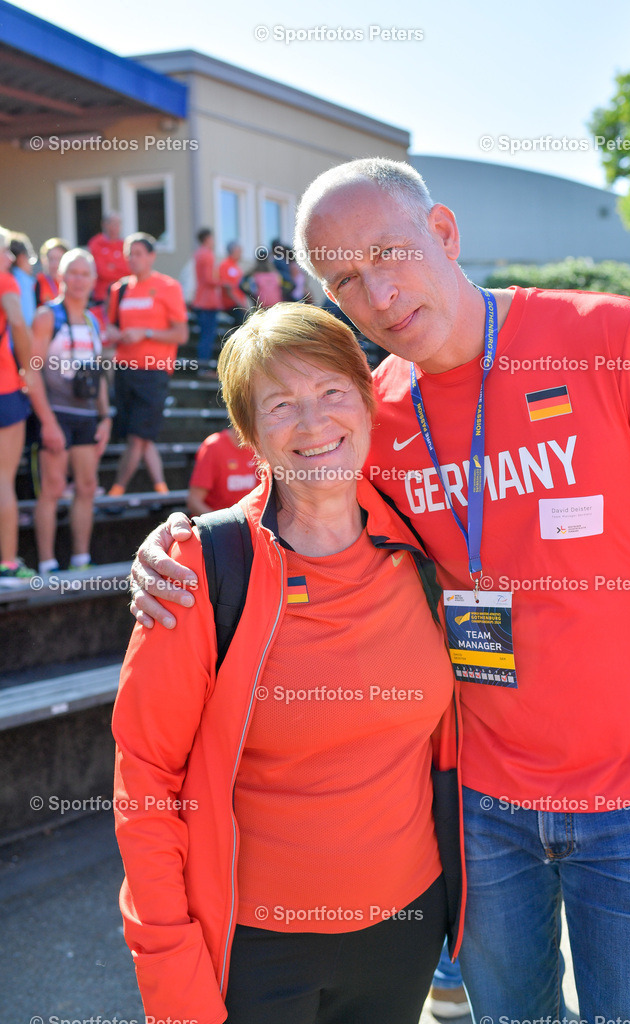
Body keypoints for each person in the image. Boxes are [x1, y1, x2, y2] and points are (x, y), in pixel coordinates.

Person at [130, 157, 630, 1024]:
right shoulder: (376, 408)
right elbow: (301, 478)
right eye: (346, 277)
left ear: (446, 233)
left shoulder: (609, 337)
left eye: (390, 252)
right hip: (477, 812)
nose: (379, 293)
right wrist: (174, 544)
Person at [113, 302, 464, 1024]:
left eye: (332, 392)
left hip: (403, 929)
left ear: (368, 402)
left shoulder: (427, 546)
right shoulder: (203, 565)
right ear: (247, 432)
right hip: (253, 947)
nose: (312, 424)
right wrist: (168, 966)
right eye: (280, 404)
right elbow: (144, 777)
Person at [31, 249, 111, 573]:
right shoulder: (47, 316)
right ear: (61, 276)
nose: (78, 280)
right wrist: (47, 422)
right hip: (55, 412)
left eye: (85, 274)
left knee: (87, 486)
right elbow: (31, 370)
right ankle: (47, 564)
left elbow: (98, 373)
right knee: (51, 487)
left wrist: (106, 417)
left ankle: (81, 559)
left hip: (86, 416)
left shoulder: (93, 321)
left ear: (93, 280)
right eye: (72, 273)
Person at [106, 233, 188, 496]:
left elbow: (181, 334)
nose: (133, 258)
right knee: (142, 435)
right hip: (124, 369)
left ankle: (116, 489)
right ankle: (161, 489)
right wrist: (116, 334)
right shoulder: (119, 289)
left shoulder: (168, 286)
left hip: (154, 371)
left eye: (139, 253)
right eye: (129, 253)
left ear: (152, 256)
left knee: (138, 437)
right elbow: (109, 326)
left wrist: (146, 333)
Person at [0, 226, 39, 585]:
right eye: (4, 251)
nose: (11, 258)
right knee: (4, 479)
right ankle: (8, 564)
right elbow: (16, 322)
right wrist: (28, 367)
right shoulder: (5, 280)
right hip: (5, 388)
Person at [186, 425, 257, 516]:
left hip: (248, 524)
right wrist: (222, 524)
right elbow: (194, 502)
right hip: (217, 524)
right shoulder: (213, 446)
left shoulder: (259, 447)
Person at [192, 228, 222, 364]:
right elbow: (209, 279)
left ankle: (202, 367)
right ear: (207, 239)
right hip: (207, 302)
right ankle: (203, 367)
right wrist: (223, 281)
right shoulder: (207, 254)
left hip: (200, 300)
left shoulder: (199, 253)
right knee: (207, 337)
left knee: (205, 335)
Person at [88, 212, 129, 308]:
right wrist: (120, 270)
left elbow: (129, 270)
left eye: (118, 223)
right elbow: (102, 271)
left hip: (124, 294)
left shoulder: (125, 244)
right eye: (112, 223)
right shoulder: (95, 243)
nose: (115, 227)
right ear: (104, 224)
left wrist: (112, 267)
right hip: (102, 297)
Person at [218, 241, 250, 328]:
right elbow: (227, 287)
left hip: (238, 304)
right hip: (231, 304)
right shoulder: (225, 265)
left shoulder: (236, 266)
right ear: (233, 251)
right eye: (239, 251)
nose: (241, 254)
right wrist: (241, 305)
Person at [9, 233, 37, 326]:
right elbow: (28, 320)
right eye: (30, 256)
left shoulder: (8, 278)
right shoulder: (22, 281)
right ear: (21, 257)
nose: (31, 263)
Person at [35, 237, 68, 306]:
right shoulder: (37, 283)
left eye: (59, 259)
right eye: (51, 259)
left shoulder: (71, 283)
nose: (55, 264)